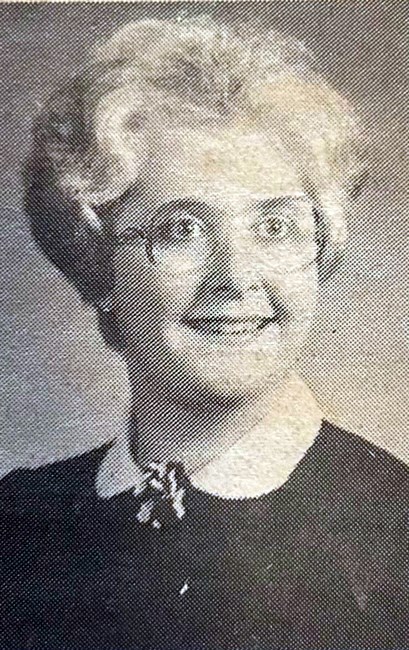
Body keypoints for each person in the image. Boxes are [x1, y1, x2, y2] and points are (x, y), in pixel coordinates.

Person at [1, 15, 408, 650]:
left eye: (274, 227)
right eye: (181, 229)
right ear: (96, 266)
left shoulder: (395, 526)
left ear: (324, 253)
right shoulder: (18, 524)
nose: (235, 276)